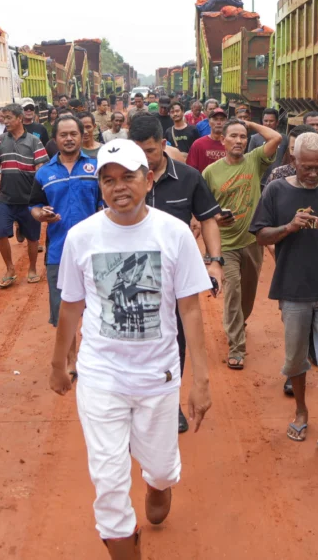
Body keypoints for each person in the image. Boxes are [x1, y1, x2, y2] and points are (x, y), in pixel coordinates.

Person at [48, 139, 214, 560]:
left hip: (157, 375)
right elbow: (70, 305)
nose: (119, 187)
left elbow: (191, 310)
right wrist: (58, 364)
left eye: (128, 177)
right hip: (101, 374)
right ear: (99, 187)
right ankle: (124, 541)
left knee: (158, 468)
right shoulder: (82, 237)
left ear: (149, 178)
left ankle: (160, 479)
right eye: (108, 180)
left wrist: (201, 382)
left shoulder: (173, 232)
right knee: (108, 481)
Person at [252, 132, 318, 463]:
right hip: (293, 289)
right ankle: (300, 411)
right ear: (294, 161)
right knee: (296, 358)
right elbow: (259, 235)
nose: (313, 173)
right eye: (307, 167)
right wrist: (289, 228)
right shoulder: (276, 189)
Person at [130, 113, 224, 433]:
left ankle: (170, 404)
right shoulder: (122, 180)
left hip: (175, 280)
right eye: (138, 151)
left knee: (177, 340)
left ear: (164, 145)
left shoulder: (188, 177)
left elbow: (208, 218)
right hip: (133, 278)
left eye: (151, 151)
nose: (145, 159)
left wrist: (214, 261)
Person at [201, 118, 282, 369]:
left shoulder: (255, 160)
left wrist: (249, 123)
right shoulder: (210, 172)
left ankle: (240, 322)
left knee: (248, 294)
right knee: (233, 291)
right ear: (222, 141)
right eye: (233, 136)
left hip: (251, 241)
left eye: (242, 137)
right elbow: (203, 210)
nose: (238, 141)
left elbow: (276, 138)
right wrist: (216, 217)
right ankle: (237, 346)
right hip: (225, 244)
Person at [29, 115, 100, 341]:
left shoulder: (97, 168)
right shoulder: (43, 173)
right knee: (63, 312)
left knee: (97, 310)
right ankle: (70, 361)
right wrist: (40, 214)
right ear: (55, 139)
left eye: (73, 134)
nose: (69, 139)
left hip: (95, 251)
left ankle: (94, 356)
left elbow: (106, 203)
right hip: (58, 252)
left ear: (82, 135)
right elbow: (34, 204)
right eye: (63, 135)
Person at [0, 104, 49, 288]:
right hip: (5, 197)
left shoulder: (33, 141)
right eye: (3, 117)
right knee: (1, 234)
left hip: (29, 199)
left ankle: (32, 269)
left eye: (8, 117)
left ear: (19, 119)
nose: (4, 121)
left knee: (33, 238)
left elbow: (41, 168)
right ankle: (9, 269)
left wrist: (40, 192)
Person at [186, 105, 229, 173]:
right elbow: (190, 170)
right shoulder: (198, 144)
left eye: (222, 119)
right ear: (209, 122)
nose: (218, 122)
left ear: (226, 123)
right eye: (215, 119)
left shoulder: (231, 144)